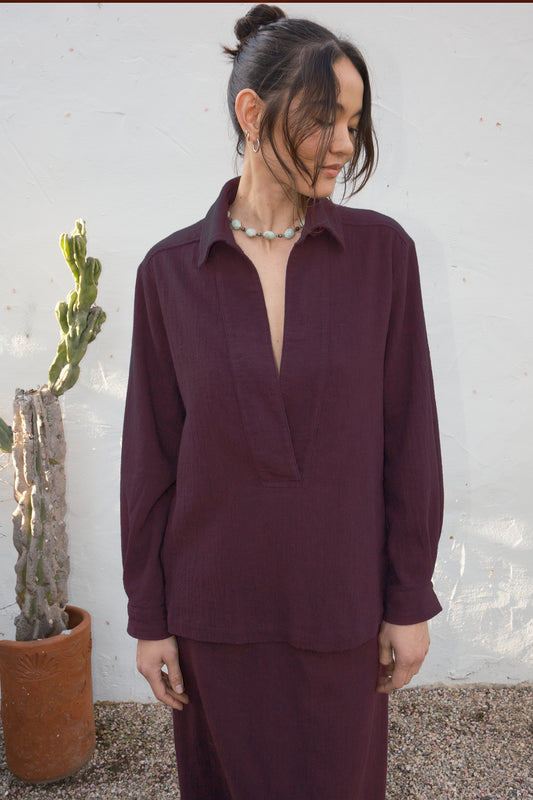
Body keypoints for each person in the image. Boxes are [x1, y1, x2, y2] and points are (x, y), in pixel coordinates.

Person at [120, 4, 444, 799]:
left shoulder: (382, 257)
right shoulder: (168, 274)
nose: (343, 143)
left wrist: (407, 598)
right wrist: (149, 615)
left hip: (341, 605)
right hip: (211, 616)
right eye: (324, 120)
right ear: (251, 111)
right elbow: (150, 458)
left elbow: (411, 439)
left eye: (354, 121)